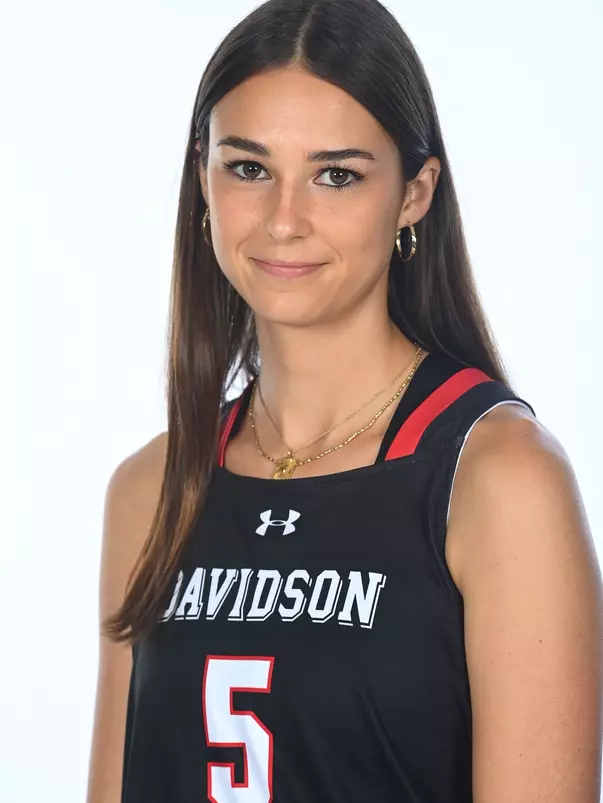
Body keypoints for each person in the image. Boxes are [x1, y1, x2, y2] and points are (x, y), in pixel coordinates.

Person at [86, 1, 603, 801]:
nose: (283, 219)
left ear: (413, 194)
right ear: (202, 176)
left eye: (336, 174)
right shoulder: (153, 488)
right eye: (248, 168)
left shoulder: (496, 479)